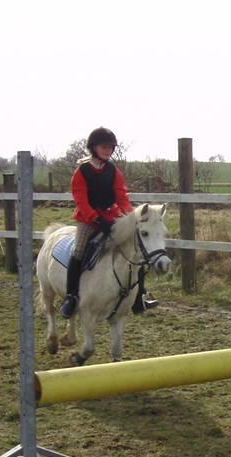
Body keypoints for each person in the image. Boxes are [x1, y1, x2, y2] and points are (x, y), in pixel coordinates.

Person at [60, 127, 158, 319]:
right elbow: (81, 201)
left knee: (134, 250)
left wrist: (131, 218)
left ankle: (140, 297)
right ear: (93, 147)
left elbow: (122, 197)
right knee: (79, 251)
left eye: (110, 147)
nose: (107, 150)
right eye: (103, 147)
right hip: (88, 219)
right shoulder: (82, 171)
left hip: (112, 216)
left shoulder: (114, 171)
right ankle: (71, 297)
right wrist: (96, 219)